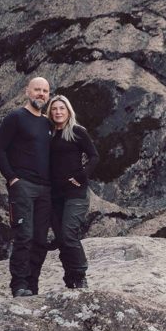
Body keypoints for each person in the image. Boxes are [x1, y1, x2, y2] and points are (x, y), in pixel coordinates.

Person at [0, 76, 52, 298]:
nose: (41, 94)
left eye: (45, 91)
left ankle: (32, 286)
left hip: (46, 190)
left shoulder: (48, 123)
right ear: (27, 91)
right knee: (24, 236)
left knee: (40, 240)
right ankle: (18, 285)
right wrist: (12, 178)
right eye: (37, 90)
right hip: (23, 186)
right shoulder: (16, 118)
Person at [31, 94, 98, 291]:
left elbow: (94, 157)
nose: (58, 112)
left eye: (62, 108)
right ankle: (70, 278)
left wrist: (81, 176)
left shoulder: (77, 132)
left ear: (69, 111)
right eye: (54, 109)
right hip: (53, 194)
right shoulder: (48, 134)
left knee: (69, 234)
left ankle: (80, 275)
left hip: (75, 192)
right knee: (61, 239)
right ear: (50, 112)